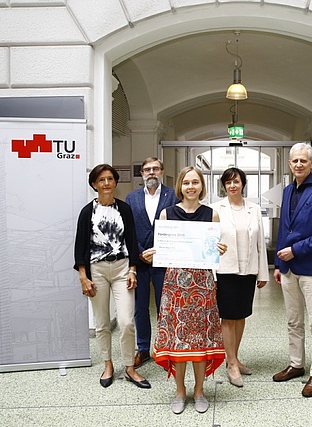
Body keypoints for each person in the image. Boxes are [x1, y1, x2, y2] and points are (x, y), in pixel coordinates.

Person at [150, 166, 227, 414]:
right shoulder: (166, 214)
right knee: (178, 340)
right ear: (180, 186)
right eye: (186, 183)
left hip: (202, 285)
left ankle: (200, 391)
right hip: (175, 286)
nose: (191, 187)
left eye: (195, 182)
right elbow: (162, 249)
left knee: (200, 340)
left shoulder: (211, 215)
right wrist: (153, 252)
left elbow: (211, 251)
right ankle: (180, 391)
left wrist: (219, 250)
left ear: (201, 186)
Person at [73, 164, 151, 390]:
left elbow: (132, 239)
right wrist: (83, 276)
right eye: (101, 180)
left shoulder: (124, 210)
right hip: (96, 270)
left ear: (115, 182)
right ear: (94, 184)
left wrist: (133, 269)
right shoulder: (88, 212)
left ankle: (129, 367)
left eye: (110, 179)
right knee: (102, 323)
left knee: (127, 322)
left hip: (122, 269)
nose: (106, 183)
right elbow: (80, 246)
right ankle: (108, 364)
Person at [272, 142, 312, 398]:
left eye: (303, 161)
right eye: (294, 161)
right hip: (288, 268)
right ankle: (296, 364)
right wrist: (278, 264)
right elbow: (283, 229)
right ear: (290, 164)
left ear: (311, 163)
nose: (298, 164)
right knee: (293, 321)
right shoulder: (288, 191)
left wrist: (296, 250)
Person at [211, 167, 268, 388]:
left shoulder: (253, 209)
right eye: (228, 182)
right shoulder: (215, 209)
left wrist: (262, 272)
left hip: (248, 270)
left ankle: (234, 357)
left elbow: (260, 243)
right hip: (224, 271)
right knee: (228, 317)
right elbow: (211, 244)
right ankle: (231, 363)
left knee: (242, 315)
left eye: (236, 181)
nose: (232, 185)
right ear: (224, 186)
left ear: (243, 183)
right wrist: (212, 274)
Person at [125, 157, 179, 368]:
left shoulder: (173, 196)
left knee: (164, 306)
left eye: (155, 169)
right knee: (140, 307)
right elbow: (128, 230)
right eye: (147, 169)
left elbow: (177, 227)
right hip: (140, 261)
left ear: (162, 171)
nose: (151, 172)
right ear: (142, 174)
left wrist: (160, 251)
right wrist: (140, 253)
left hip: (164, 260)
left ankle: (166, 348)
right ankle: (143, 348)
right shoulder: (132, 198)